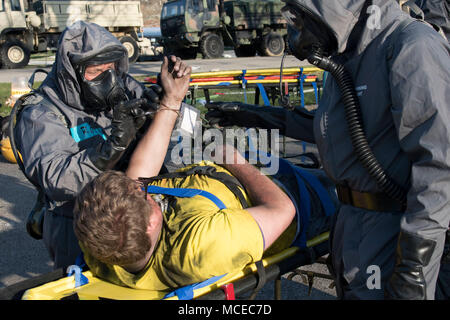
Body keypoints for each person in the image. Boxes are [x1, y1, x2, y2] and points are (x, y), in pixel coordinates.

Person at [206, 0, 450, 299]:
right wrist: (258, 115)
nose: (296, 28)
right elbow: (343, 129)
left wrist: (414, 264)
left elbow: (438, 168)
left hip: (394, 231)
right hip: (351, 222)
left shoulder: (410, 46)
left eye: (300, 16)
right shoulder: (344, 56)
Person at [13, 20, 190, 269]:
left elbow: (179, 124)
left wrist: (167, 101)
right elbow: (56, 178)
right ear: (71, 73)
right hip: (76, 223)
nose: (108, 79)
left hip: (131, 215)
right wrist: (111, 148)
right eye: (95, 73)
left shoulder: (124, 85)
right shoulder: (41, 113)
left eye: (111, 69)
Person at [73, 138, 336, 296]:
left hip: (243, 179)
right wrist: (233, 159)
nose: (144, 188)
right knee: (359, 182)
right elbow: (283, 211)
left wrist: (171, 102)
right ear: (151, 222)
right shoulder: (201, 246)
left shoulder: (106, 240)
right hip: (299, 199)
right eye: (144, 195)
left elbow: (133, 186)